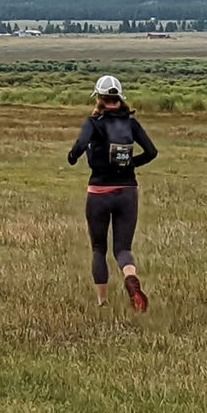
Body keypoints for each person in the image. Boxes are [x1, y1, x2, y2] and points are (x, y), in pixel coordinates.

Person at [68, 75, 158, 312]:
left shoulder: (94, 122)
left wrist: (72, 157)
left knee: (99, 248)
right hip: (128, 191)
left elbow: (80, 144)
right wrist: (130, 165)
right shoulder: (131, 122)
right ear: (119, 98)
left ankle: (102, 301)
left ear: (99, 98)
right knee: (123, 249)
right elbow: (151, 151)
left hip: (99, 191)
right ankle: (130, 277)